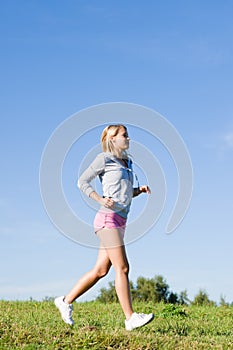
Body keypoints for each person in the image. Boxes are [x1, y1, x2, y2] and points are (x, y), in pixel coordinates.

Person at [54, 124, 154, 331]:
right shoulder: (104, 159)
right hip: (108, 219)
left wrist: (138, 190)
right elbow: (82, 182)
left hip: (121, 220)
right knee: (123, 267)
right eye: (124, 135)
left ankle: (65, 301)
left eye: (127, 134)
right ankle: (130, 318)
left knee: (101, 270)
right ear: (112, 139)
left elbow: (122, 192)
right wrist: (99, 198)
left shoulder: (128, 163)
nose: (128, 138)